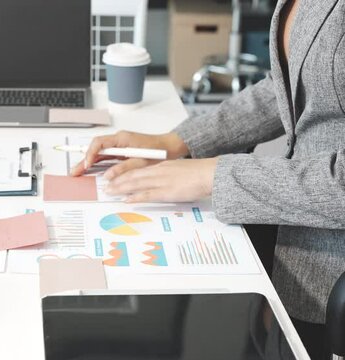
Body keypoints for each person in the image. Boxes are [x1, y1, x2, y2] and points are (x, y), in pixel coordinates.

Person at [73, 0, 344, 358]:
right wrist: (178, 142)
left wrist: (213, 176)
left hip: (330, 280)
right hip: (289, 255)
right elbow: (291, 84)